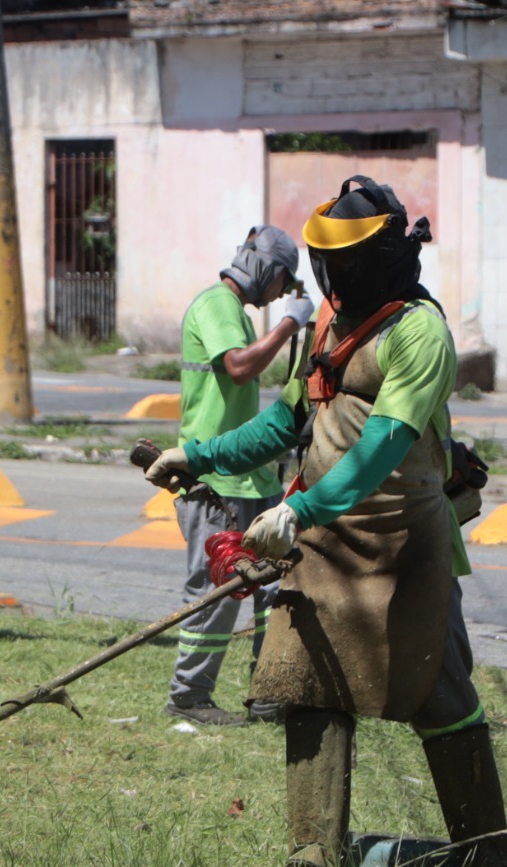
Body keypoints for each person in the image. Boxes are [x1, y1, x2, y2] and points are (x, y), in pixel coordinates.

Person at [146, 176, 507, 867]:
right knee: (307, 688)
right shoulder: (327, 324)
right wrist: (199, 455)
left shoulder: (419, 332)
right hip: (324, 544)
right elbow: (284, 423)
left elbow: (384, 445)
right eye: (327, 263)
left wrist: (298, 510)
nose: (332, 277)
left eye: (343, 263)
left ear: (381, 257)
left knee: (441, 699)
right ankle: (314, 866)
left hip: (407, 547)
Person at [165, 225, 315, 727]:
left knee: (273, 589)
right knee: (219, 593)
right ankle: (189, 697)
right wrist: (290, 324)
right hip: (215, 481)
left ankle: (269, 695)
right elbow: (237, 368)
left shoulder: (236, 314)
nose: (280, 293)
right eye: (283, 281)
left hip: (251, 478)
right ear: (267, 270)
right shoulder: (217, 305)